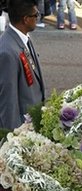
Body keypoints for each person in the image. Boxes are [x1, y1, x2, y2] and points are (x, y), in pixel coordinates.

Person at [0, 0, 46, 131]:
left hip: (32, 123)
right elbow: (8, 101)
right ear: (26, 19)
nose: (38, 18)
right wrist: (14, 137)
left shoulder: (23, 37)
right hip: (22, 128)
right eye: (35, 15)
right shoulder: (7, 52)